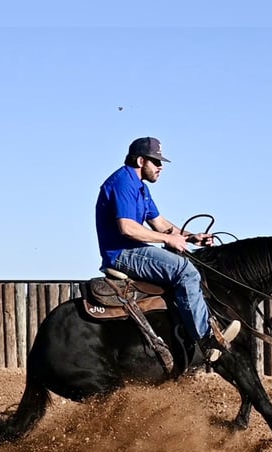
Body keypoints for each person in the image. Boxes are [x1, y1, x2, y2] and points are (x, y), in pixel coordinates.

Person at [95, 136, 240, 362]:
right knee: (186, 271)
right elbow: (127, 228)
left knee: (190, 265)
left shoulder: (140, 187)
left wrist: (191, 237)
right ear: (141, 160)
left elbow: (160, 223)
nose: (161, 167)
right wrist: (167, 239)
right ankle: (206, 339)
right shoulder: (123, 182)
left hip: (134, 249)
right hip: (122, 253)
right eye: (156, 161)